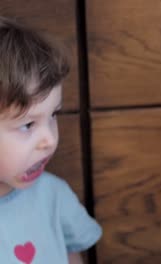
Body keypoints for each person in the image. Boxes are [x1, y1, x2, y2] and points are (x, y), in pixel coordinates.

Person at [0, 16, 101, 263]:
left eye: (53, 114)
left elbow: (72, 256)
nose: (49, 140)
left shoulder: (52, 195)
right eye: (27, 125)